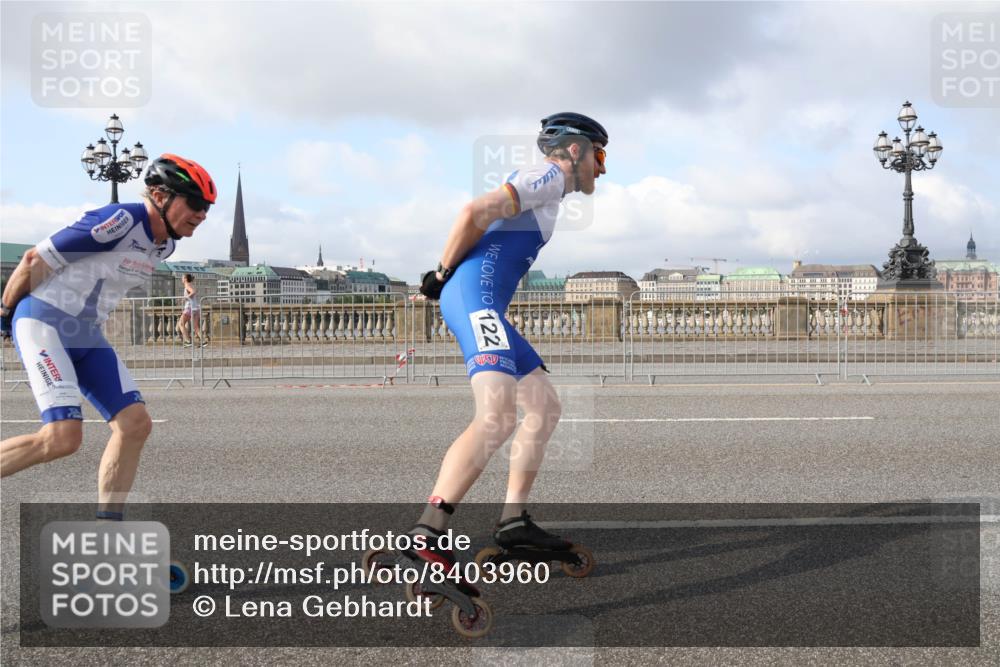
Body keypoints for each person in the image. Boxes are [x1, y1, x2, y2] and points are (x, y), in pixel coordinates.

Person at [412, 113, 608, 566]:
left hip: (484, 303)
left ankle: (514, 521)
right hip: (475, 299)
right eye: (599, 155)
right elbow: (473, 212)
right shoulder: (549, 174)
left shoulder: (550, 187)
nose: (602, 169)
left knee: (543, 405)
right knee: (497, 416)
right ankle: (427, 532)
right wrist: (441, 274)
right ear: (575, 150)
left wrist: (446, 276)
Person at [0, 154, 216, 520]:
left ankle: (108, 533)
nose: (202, 215)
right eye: (194, 203)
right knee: (62, 438)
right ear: (160, 196)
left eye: (207, 208)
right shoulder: (121, 220)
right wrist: (5, 315)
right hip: (46, 321)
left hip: (86, 334)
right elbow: (35, 259)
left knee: (135, 425)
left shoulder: (165, 245)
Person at [177, 273, 205, 347]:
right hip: (195, 307)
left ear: (185, 279)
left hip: (189, 308)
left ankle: (188, 341)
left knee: (181, 324)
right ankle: (204, 341)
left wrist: (185, 298)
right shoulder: (190, 284)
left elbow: (193, 291)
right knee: (195, 326)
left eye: (182, 277)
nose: (181, 279)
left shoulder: (187, 285)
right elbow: (195, 291)